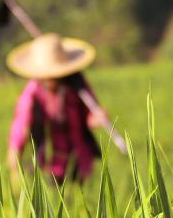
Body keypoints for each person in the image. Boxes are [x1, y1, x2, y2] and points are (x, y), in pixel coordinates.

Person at [6, 33, 111, 183]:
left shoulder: (77, 86)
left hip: (80, 161)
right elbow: (21, 124)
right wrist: (15, 155)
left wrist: (98, 118)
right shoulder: (33, 92)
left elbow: (89, 115)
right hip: (49, 165)